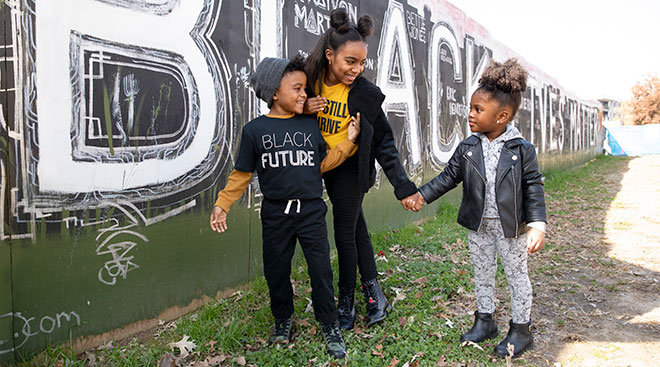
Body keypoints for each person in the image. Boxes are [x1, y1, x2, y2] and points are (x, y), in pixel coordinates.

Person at [209, 55, 360, 359]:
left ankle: (329, 323)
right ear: (274, 93)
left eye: (305, 89)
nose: (305, 95)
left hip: (311, 212)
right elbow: (242, 174)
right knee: (276, 270)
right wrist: (222, 204)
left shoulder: (308, 125)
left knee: (320, 270)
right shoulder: (255, 131)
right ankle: (283, 320)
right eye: (298, 89)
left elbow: (321, 164)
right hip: (276, 213)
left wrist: (348, 143)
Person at [406, 59, 547, 358]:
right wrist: (421, 196)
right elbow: (448, 177)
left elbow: (534, 186)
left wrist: (538, 224)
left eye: (478, 110)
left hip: (511, 227)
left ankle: (521, 329)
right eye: (470, 107)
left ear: (502, 116)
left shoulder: (521, 149)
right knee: (482, 273)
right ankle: (485, 321)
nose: (470, 114)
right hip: (479, 224)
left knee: (516, 275)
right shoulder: (468, 147)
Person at [304, 9, 420, 330]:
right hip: (329, 166)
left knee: (344, 236)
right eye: (350, 62)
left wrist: (403, 186)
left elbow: (384, 143)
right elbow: (285, 102)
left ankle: (346, 304)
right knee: (356, 232)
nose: (357, 69)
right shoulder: (310, 84)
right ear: (329, 56)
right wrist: (303, 106)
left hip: (352, 172)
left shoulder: (363, 96)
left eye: (362, 63)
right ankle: (375, 295)